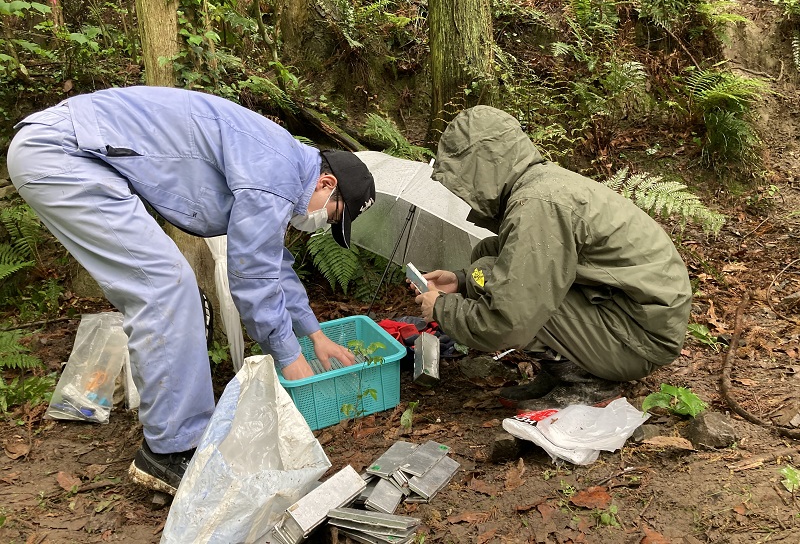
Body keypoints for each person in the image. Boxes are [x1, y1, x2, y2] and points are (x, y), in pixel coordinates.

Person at [6, 86, 376, 494]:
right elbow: (252, 278)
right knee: (165, 287)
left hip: (73, 149)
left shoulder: (282, 165)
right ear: (326, 183)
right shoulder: (276, 175)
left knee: (170, 286)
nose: (322, 224)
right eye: (333, 216)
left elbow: (272, 264)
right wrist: (290, 359)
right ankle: (170, 452)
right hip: (63, 151)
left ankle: (177, 438)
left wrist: (314, 334)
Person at [413, 105, 692, 410]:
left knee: (489, 273)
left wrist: (442, 308)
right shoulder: (542, 183)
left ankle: (587, 382)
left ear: (479, 166)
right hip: (629, 313)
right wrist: (461, 281)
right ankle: (562, 372)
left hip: (639, 338)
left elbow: (507, 323)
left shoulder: (537, 204)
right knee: (488, 255)